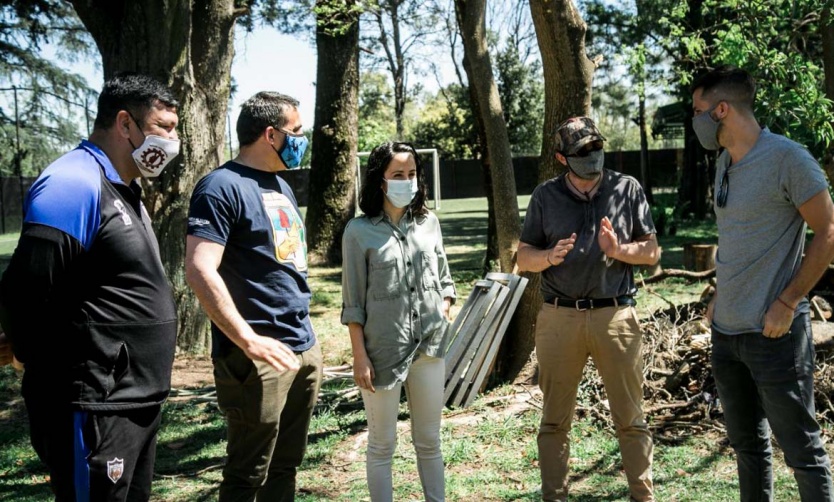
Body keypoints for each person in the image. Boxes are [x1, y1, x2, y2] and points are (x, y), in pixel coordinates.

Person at [0, 73, 181, 501]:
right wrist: (27, 352)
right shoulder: (72, 183)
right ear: (125, 123)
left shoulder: (126, 187)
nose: (174, 141)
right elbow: (27, 286)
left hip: (135, 400)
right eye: (165, 128)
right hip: (93, 404)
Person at [692, 65, 834, 501]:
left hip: (774, 335)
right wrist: (718, 292)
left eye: (697, 111)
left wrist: (789, 301)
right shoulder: (723, 164)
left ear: (721, 110)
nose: (693, 120)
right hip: (726, 336)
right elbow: (735, 236)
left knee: (801, 450)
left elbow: (828, 231)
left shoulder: (787, 159)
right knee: (748, 448)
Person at [185, 91, 322, 501]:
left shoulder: (281, 183)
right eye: (296, 131)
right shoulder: (220, 187)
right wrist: (248, 340)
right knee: (248, 475)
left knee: (286, 466)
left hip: (302, 345)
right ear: (270, 134)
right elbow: (199, 268)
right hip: (255, 355)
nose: (301, 138)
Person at [517, 116, 659, 502]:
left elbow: (652, 252)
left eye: (596, 147)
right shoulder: (545, 196)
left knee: (630, 417)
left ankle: (642, 496)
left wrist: (618, 250)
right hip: (559, 317)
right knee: (554, 421)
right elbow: (523, 257)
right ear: (563, 158)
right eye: (582, 152)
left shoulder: (626, 188)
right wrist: (548, 256)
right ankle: (555, 497)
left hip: (615, 316)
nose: (592, 156)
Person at [341, 141, 455, 502]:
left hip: (429, 348)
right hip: (382, 353)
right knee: (381, 445)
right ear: (380, 180)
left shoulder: (429, 223)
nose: (407, 181)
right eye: (397, 175)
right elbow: (353, 303)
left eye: (412, 174)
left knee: (430, 441)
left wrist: (444, 310)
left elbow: (444, 277)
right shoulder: (358, 232)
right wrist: (360, 356)